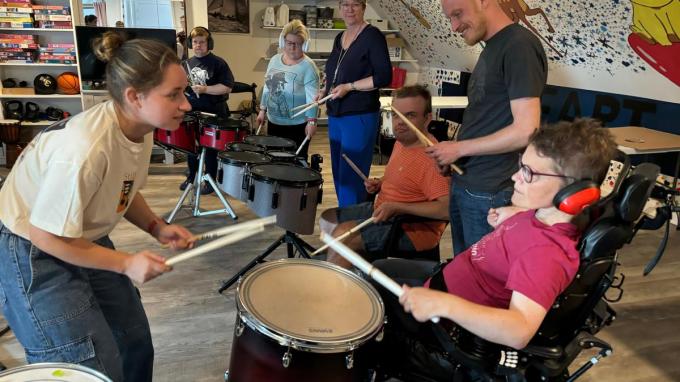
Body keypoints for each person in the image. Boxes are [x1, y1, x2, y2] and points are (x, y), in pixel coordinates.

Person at [0, 32, 194, 381]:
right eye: (174, 95)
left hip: (77, 233)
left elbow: (123, 186)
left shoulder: (140, 125)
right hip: (32, 247)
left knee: (133, 341)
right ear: (135, 96)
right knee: (87, 367)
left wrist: (156, 226)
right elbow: (45, 235)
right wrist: (126, 263)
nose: (186, 104)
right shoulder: (84, 149)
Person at [370, 119, 618, 381]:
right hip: (445, 283)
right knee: (378, 272)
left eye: (528, 173)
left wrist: (445, 305)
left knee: (372, 309)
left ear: (574, 194)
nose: (515, 177)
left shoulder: (545, 255)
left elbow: (519, 330)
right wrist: (516, 215)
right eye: (520, 166)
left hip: (448, 328)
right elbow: (536, 225)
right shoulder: (541, 214)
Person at [425, 0, 548, 256]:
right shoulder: (492, 47)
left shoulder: (518, 46)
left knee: (482, 277)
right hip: (468, 180)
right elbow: (484, 119)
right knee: (466, 268)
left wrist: (459, 149)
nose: (455, 26)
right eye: (450, 18)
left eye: (458, 14)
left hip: (490, 190)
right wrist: (456, 154)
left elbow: (526, 129)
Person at [320, 85, 449, 269]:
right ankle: (351, 266)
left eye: (410, 115)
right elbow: (406, 178)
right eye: (396, 115)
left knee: (343, 235)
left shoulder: (431, 160)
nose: (400, 122)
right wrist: (380, 183)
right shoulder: (403, 141)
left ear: (427, 118)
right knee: (328, 218)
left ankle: (339, 289)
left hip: (410, 230)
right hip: (383, 208)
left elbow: (446, 209)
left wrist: (398, 207)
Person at [320, 0, 392, 207]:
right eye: (345, 4)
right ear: (339, 7)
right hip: (336, 115)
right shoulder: (339, 37)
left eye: (355, 4)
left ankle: (352, 224)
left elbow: (383, 77)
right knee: (339, 173)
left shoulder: (373, 36)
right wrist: (324, 89)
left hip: (359, 115)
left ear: (364, 7)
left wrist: (350, 86)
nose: (349, 9)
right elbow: (333, 72)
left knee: (353, 174)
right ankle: (346, 217)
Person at [181, 26, 235, 194]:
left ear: (208, 43)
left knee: (211, 149)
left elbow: (227, 87)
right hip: (192, 113)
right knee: (191, 148)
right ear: (191, 43)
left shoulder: (218, 63)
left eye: (202, 42)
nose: (198, 45)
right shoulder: (185, 64)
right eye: (195, 42)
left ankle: (211, 180)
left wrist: (205, 90)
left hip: (214, 113)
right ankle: (192, 177)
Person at [256, 20, 320, 159]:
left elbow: (313, 99)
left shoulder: (308, 67)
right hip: (274, 122)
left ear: (304, 45)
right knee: (273, 160)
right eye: (289, 43)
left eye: (297, 44)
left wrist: (312, 121)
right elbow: (268, 87)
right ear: (282, 41)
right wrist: (262, 110)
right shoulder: (274, 60)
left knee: (295, 165)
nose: (292, 47)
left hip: (296, 126)